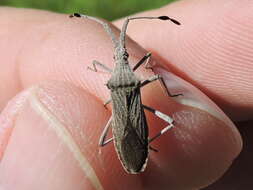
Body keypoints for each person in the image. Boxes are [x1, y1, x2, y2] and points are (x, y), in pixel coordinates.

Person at [0, 0, 251, 189]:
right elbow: (151, 69)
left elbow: (100, 65)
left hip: (121, 116)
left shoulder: (110, 75)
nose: (120, 55)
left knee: (100, 141)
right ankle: (148, 144)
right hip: (134, 114)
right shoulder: (135, 74)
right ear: (123, 61)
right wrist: (168, 95)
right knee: (171, 120)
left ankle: (142, 147)